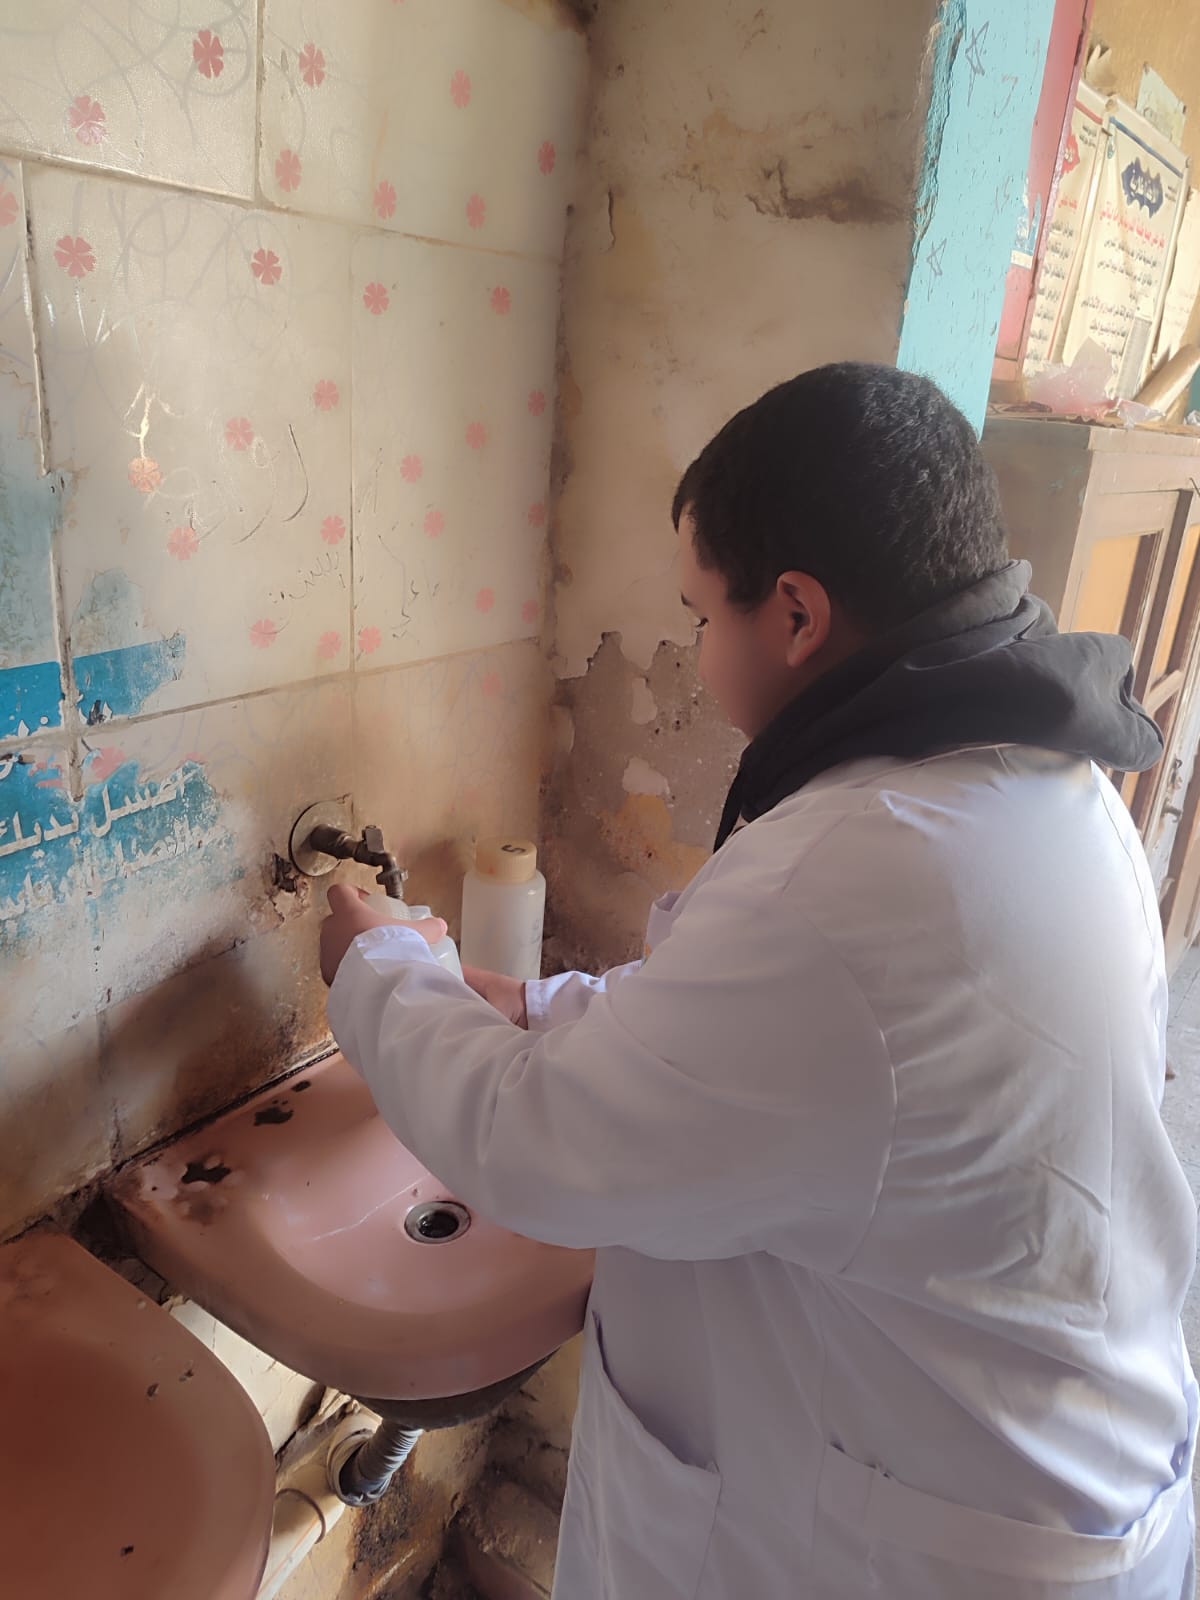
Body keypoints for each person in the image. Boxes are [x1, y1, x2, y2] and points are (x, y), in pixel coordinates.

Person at [320, 363, 1198, 1600]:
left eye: (698, 616)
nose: (695, 652)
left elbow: (533, 1143)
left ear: (794, 614)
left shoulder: (854, 876)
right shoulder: (1034, 783)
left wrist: (371, 970)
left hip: (914, 1546)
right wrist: (519, 999)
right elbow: (776, 1054)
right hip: (1037, 1464)